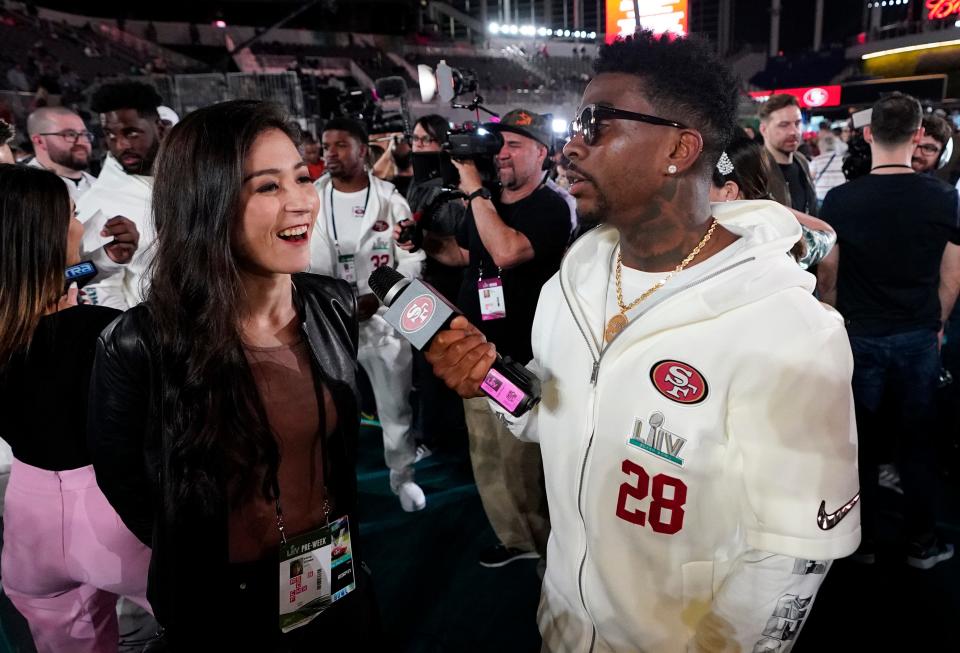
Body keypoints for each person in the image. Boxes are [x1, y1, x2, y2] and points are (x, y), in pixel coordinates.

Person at [425, 31, 860, 651]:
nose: (571, 147)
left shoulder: (787, 326)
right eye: (576, 125)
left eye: (596, 125)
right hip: (562, 625)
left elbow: (790, 561)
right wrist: (489, 378)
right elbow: (553, 416)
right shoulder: (569, 286)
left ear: (679, 148)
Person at [89, 100, 380, 649]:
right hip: (219, 602)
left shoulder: (333, 306)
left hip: (330, 570)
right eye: (268, 187)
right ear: (208, 203)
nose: (300, 202)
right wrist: (197, 552)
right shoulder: (137, 342)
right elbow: (127, 481)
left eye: (301, 176)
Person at [401, 108, 571, 568]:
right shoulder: (489, 199)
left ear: (542, 152)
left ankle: (547, 550)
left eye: (515, 144)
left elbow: (507, 250)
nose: (503, 153)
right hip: (475, 353)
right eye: (500, 145)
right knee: (488, 457)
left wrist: (475, 189)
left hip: (524, 357)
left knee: (523, 466)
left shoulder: (552, 206)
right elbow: (463, 253)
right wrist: (421, 242)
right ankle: (514, 540)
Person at [0, 164, 151, 652]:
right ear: (45, 234)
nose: (82, 224)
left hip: (28, 521)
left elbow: (43, 278)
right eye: (71, 214)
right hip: (117, 513)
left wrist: (101, 261)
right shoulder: (110, 331)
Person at [818, 91, 959, 569]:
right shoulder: (942, 197)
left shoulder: (839, 200)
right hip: (918, 337)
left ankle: (864, 543)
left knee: (859, 446)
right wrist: (933, 323)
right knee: (917, 445)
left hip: (859, 336)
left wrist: (833, 321)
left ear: (867, 132)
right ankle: (922, 541)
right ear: (918, 135)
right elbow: (953, 277)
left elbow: (829, 275)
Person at [309, 117, 427, 512]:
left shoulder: (390, 199)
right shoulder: (309, 198)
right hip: (326, 323)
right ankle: (330, 486)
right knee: (326, 412)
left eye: (340, 144)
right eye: (326, 145)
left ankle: (403, 477)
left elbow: (411, 256)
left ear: (364, 151)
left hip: (381, 321)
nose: (330, 153)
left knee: (394, 408)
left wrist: (381, 297)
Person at [77, 80, 166, 310]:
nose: (121, 145)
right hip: (152, 337)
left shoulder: (188, 178)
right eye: (110, 135)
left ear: (160, 127)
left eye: (131, 133)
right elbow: (99, 288)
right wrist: (129, 342)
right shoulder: (97, 203)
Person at [712, 135, 836, 270]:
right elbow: (827, 233)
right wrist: (771, 205)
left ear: (729, 191)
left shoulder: (715, 239)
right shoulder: (782, 230)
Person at [759, 93, 819, 216]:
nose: (794, 131)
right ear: (764, 130)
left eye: (797, 123)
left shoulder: (802, 161)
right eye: (784, 125)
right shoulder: (755, 168)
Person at [26, 106, 97, 201]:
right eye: (70, 134)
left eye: (84, 134)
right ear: (39, 141)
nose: (81, 142)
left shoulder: (102, 186)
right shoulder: (22, 190)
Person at [808, 132, 847, 205]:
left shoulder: (817, 160)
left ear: (821, 146)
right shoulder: (843, 159)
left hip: (822, 197)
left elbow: (810, 178)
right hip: (841, 195)